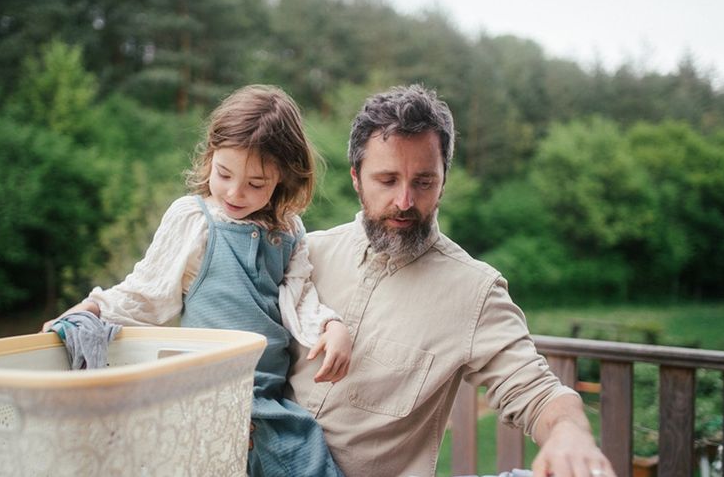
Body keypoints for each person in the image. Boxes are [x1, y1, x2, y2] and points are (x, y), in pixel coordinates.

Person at [285, 84, 615, 477]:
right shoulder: (304, 254)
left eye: (423, 182)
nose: (405, 201)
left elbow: (538, 393)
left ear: (443, 180)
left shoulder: (474, 291)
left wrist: (569, 435)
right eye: (387, 180)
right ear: (357, 178)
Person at [42, 85, 350, 477]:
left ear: (282, 180)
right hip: (210, 388)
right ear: (210, 156)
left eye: (256, 184)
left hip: (268, 393)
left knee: (309, 459)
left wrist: (331, 324)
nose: (236, 192)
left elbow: (300, 296)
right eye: (224, 174)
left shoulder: (289, 230)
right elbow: (148, 291)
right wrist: (92, 308)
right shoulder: (196, 220)